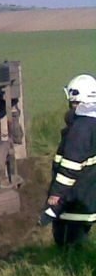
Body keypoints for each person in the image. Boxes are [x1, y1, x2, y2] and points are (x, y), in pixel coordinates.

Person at [39, 73, 96, 246]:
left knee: (68, 246)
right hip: (88, 196)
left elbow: (70, 168)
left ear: (75, 100)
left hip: (74, 201)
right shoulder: (91, 123)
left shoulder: (80, 130)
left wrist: (55, 195)